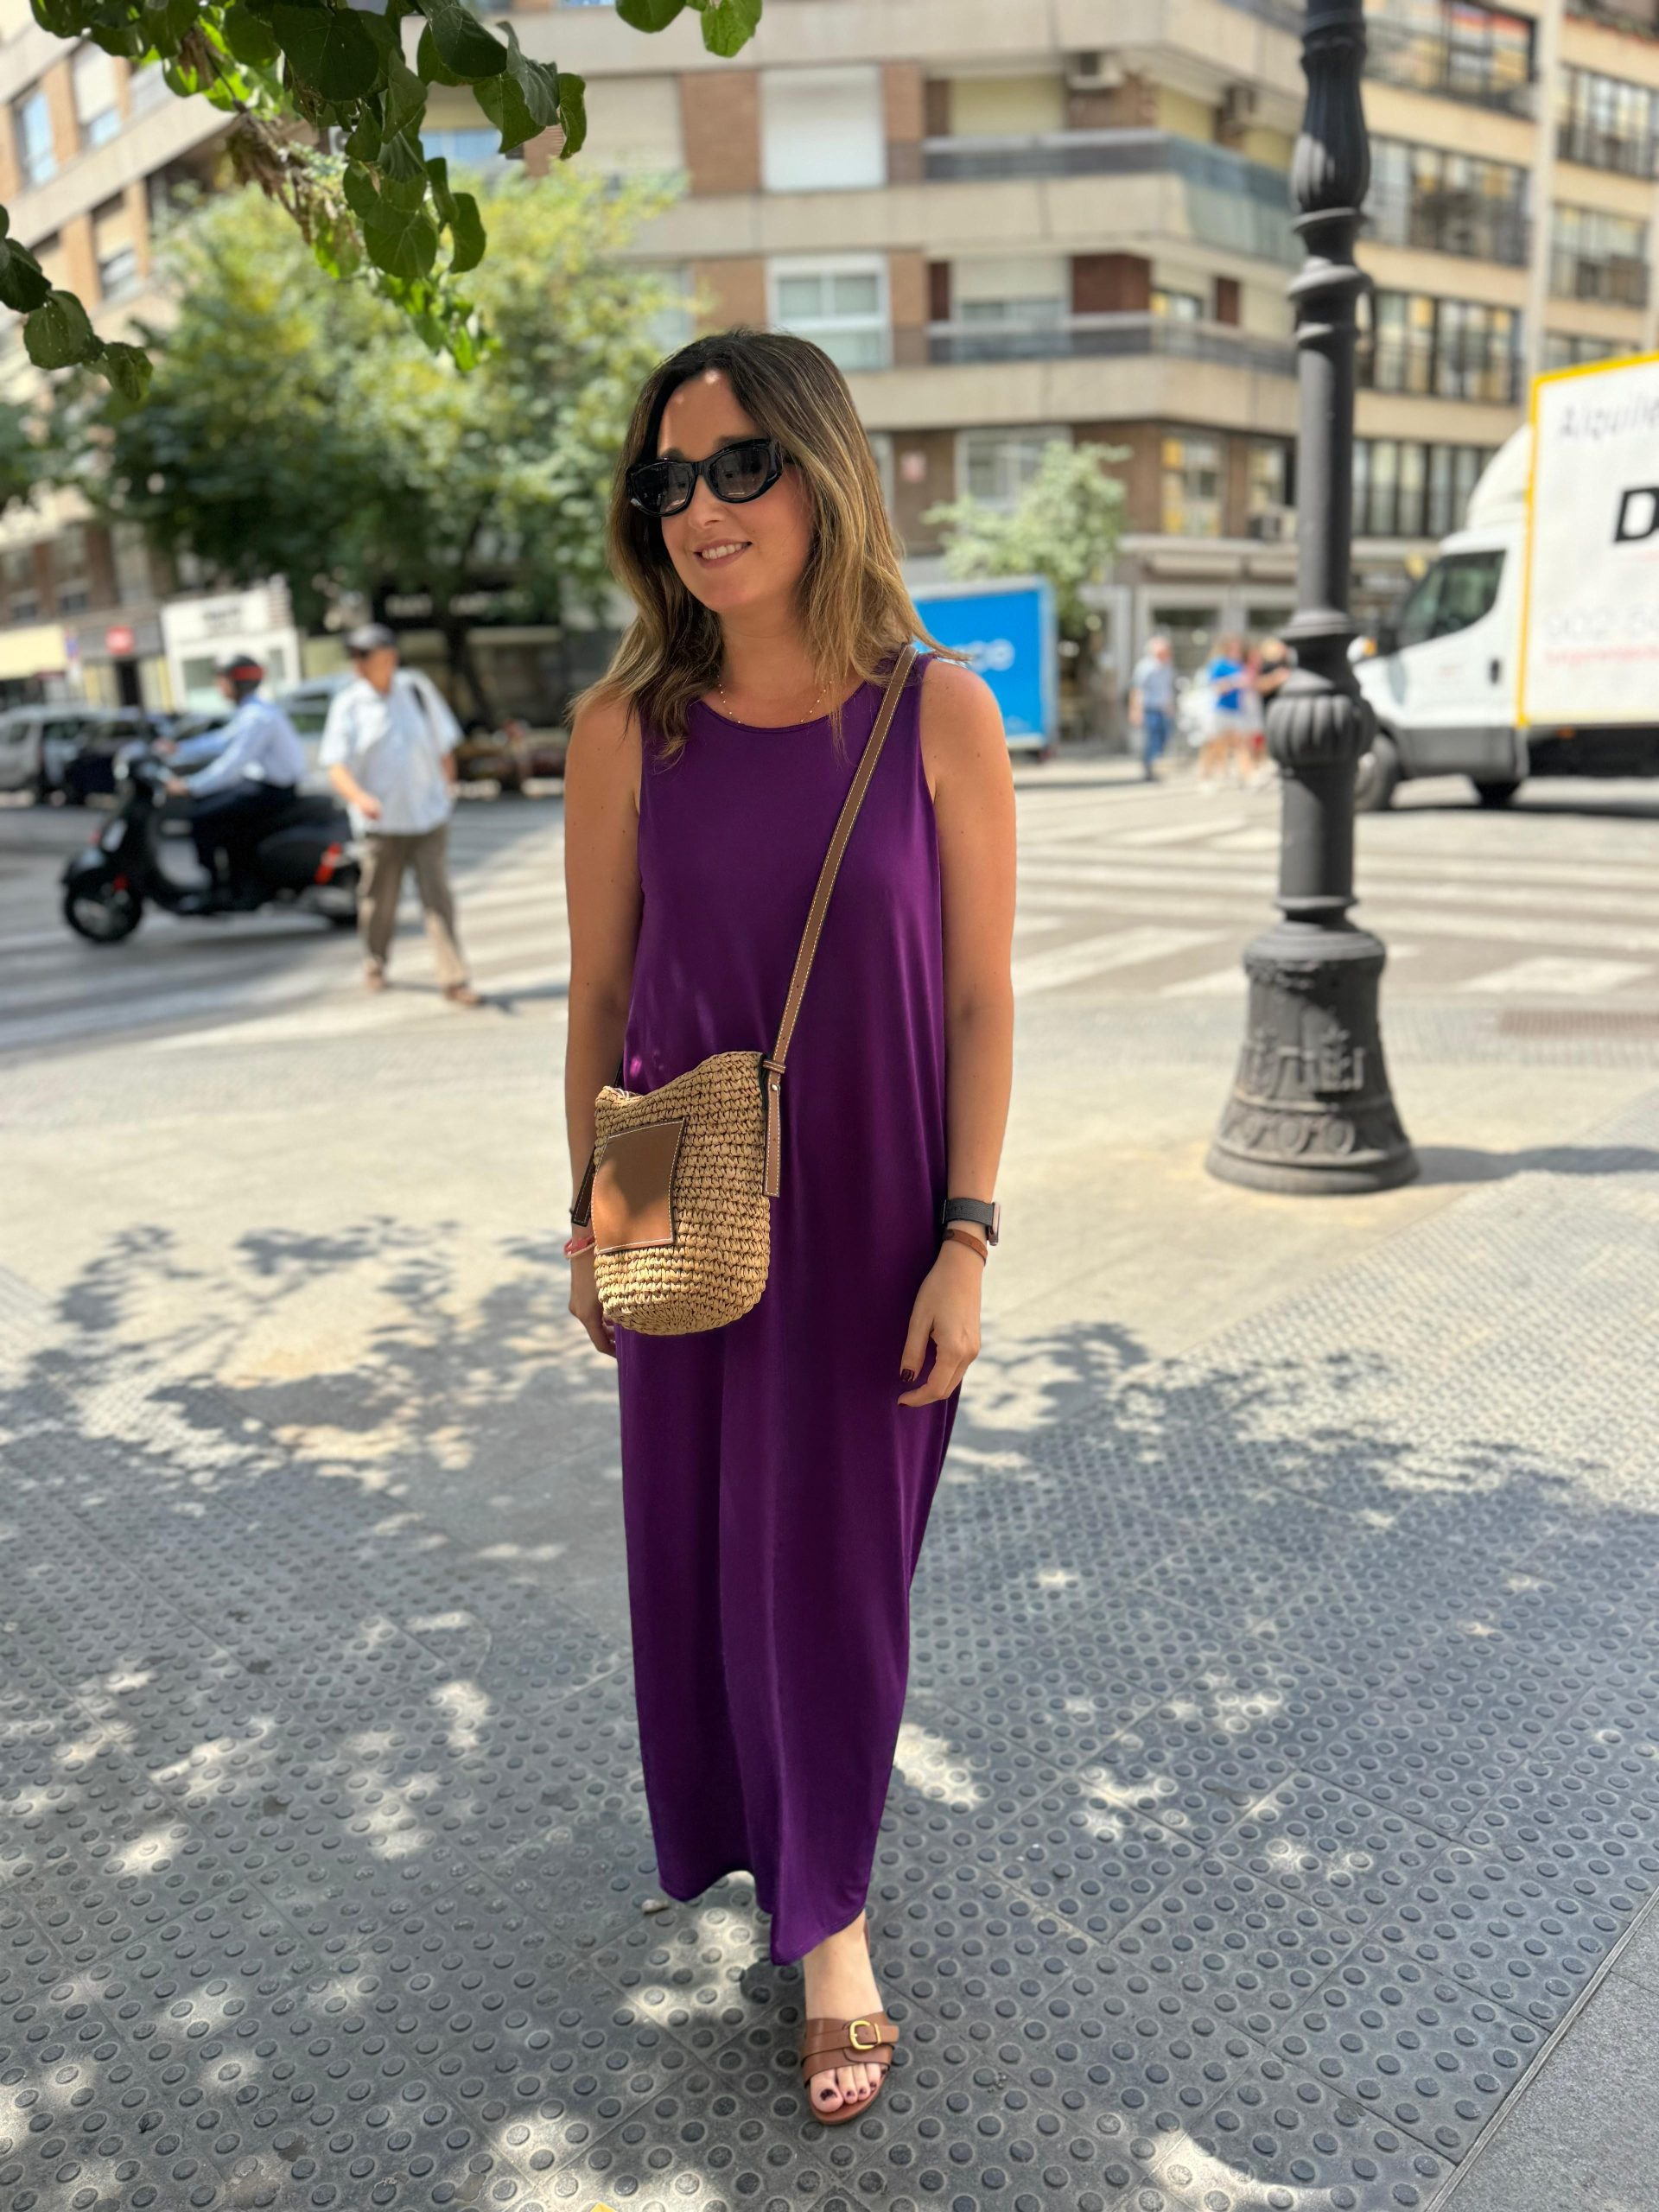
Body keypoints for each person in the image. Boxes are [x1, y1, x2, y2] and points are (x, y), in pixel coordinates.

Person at [561, 330, 1016, 2126]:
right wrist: (591, 1226)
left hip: (884, 1209)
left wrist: (967, 1235)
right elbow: (603, 1001)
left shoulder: (936, 711)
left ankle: (832, 1921)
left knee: (834, 1575)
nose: (701, 508)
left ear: (825, 471)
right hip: (682, 1189)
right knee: (699, 1554)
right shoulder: (626, 728)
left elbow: (977, 998)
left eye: (740, 465)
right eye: (669, 479)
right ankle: (770, 1852)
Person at [319, 624, 480, 1005]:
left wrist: (447, 790)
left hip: (428, 817)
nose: (359, 664)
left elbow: (444, 745)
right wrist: (360, 798)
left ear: (389, 656)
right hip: (381, 824)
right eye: (356, 657)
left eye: (366, 655)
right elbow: (335, 765)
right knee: (379, 900)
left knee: (437, 899)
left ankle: (454, 978)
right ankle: (375, 962)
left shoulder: (416, 689)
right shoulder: (349, 703)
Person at [165, 650, 306, 910]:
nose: (217, 685)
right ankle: (233, 885)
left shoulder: (258, 717)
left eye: (222, 679)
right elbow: (222, 741)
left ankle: (217, 890)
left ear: (237, 683)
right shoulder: (252, 712)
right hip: (262, 787)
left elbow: (232, 764)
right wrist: (179, 749)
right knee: (218, 815)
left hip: (273, 790)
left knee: (201, 816)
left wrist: (190, 786)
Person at [1197, 632, 1248, 785]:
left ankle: (1246, 776)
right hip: (1220, 709)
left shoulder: (1238, 665)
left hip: (1235, 709)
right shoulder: (1218, 664)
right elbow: (1215, 687)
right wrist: (1233, 683)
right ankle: (1206, 774)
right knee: (1215, 744)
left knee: (1240, 743)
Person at [1128, 631, 1176, 780]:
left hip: (1163, 708)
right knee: (1151, 739)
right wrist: (1135, 710)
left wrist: (1171, 706)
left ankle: (1154, 763)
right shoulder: (1146, 667)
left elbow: (1167, 688)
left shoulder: (1167, 667)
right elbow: (1137, 689)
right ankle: (1149, 766)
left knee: (1164, 736)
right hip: (1149, 708)